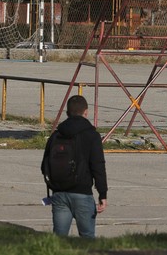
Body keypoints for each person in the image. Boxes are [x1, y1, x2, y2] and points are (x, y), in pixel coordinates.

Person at [41, 95, 108, 238]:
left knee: (59, 240)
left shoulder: (56, 135)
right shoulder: (92, 135)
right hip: (82, 193)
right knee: (87, 238)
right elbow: (98, 166)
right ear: (86, 112)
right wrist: (102, 193)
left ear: (67, 113)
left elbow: (44, 165)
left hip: (59, 193)